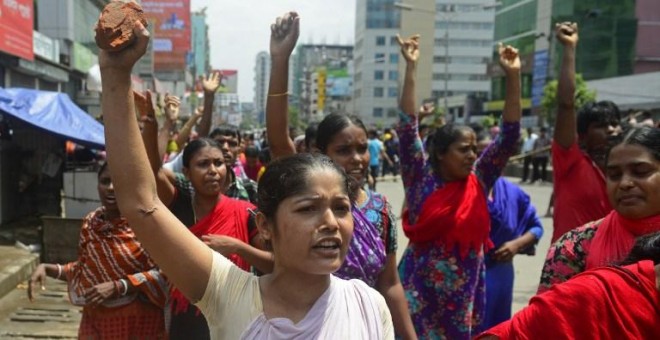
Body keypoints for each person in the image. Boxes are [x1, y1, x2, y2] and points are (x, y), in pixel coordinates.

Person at [98, 19, 394, 338]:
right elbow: (141, 203)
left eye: (340, 208)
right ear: (265, 226)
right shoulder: (231, 294)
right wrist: (115, 76)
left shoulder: (369, 305)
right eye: (308, 208)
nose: (331, 223)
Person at [264, 13, 417, 339]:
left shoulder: (380, 210)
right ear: (321, 153)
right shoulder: (300, 189)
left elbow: (389, 283)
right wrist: (281, 59)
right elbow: (279, 140)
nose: (358, 159)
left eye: (362, 148)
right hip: (300, 325)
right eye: (344, 150)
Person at [396, 32, 522, 339]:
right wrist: (411, 68)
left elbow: (508, 137)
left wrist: (514, 76)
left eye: (474, 149)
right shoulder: (419, 177)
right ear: (440, 153)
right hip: (418, 291)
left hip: (462, 295)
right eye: (463, 149)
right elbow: (405, 127)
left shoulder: (479, 179)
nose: (472, 155)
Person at [141, 101, 271, 339]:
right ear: (187, 173)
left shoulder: (245, 212)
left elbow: (273, 264)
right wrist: (154, 127)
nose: (213, 170)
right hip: (187, 318)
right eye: (203, 164)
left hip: (234, 317)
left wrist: (237, 247)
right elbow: (152, 170)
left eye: (218, 163)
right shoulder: (178, 205)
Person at [27, 163, 168, 339]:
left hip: (137, 322)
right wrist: (48, 268)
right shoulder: (91, 223)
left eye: (117, 182)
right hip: (95, 317)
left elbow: (164, 274)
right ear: (97, 185)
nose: (110, 188)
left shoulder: (146, 224)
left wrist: (119, 286)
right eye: (105, 181)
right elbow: (86, 270)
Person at [538, 125, 660, 293]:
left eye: (640, 172)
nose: (625, 183)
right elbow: (548, 316)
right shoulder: (573, 247)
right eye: (615, 175)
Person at [477, 231, 660, 339]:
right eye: (614, 174)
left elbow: (535, 226)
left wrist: (517, 244)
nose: (626, 183)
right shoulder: (590, 292)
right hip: (485, 274)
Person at [550, 22, 619, 242]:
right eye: (601, 125)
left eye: (615, 123)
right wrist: (569, 48)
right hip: (569, 268)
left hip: (611, 268)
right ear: (583, 135)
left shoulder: (630, 171)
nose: (611, 129)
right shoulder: (570, 161)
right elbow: (566, 104)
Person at [474, 133, 544, 331]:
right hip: (469, 275)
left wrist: (516, 244)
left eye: (494, 154)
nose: (487, 159)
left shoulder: (514, 193)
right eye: (479, 154)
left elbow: (537, 227)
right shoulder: (460, 191)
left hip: (502, 273)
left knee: (498, 329)